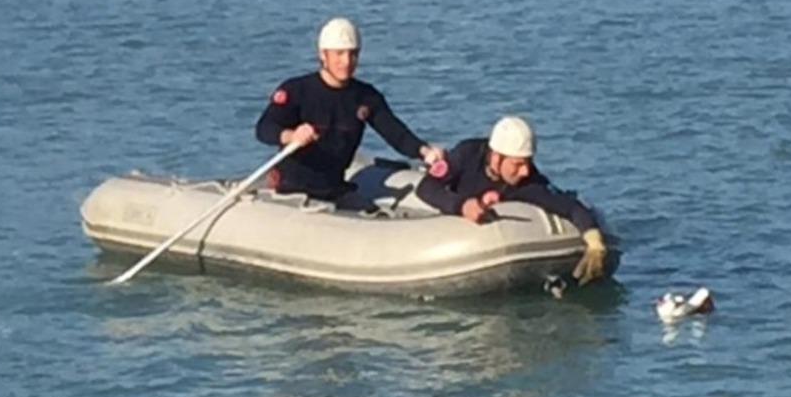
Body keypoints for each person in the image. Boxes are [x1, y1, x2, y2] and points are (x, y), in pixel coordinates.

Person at [255, 17, 444, 209]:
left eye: (352, 54)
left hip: (334, 189)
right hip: (291, 189)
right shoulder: (297, 91)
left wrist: (425, 151)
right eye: (339, 54)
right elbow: (264, 128)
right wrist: (291, 136)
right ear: (323, 55)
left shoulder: (365, 97)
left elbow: (395, 133)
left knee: (372, 212)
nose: (346, 62)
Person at [415, 115, 609, 285]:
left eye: (528, 163)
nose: (524, 171)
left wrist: (594, 240)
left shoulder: (527, 182)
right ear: (497, 158)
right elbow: (426, 187)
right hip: (448, 228)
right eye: (518, 164)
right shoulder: (467, 155)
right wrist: (462, 205)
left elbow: (568, 205)